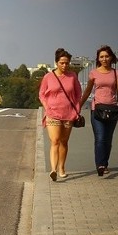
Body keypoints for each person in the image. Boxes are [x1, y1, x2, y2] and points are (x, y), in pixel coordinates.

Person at [80, 44, 118, 176]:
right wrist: (79, 105)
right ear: (98, 59)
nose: (104, 59)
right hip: (97, 109)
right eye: (101, 57)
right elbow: (88, 90)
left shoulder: (116, 72)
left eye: (106, 56)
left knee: (108, 139)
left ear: (111, 57)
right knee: (100, 138)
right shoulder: (93, 73)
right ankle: (100, 165)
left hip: (112, 109)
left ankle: (105, 163)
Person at [38, 47, 82, 181]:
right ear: (56, 62)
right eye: (62, 62)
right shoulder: (48, 77)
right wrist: (47, 107)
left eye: (67, 63)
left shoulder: (72, 76)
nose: (64, 65)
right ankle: (53, 169)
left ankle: (62, 167)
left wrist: (77, 109)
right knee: (55, 140)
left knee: (64, 141)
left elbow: (78, 93)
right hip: (52, 113)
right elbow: (41, 94)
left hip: (68, 113)